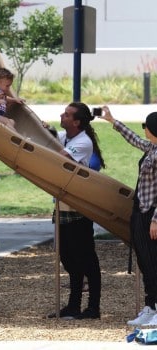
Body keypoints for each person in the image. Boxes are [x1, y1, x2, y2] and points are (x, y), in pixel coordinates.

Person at [100, 106, 157, 326]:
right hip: (140, 212)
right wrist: (112, 121)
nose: (143, 130)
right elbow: (133, 139)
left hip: (151, 214)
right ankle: (150, 306)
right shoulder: (151, 148)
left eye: (146, 126)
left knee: (153, 262)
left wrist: (155, 220)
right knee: (144, 261)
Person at [46, 102, 103, 320]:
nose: (62, 115)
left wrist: (48, 138)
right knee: (68, 258)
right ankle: (73, 306)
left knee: (86, 257)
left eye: (67, 115)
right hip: (63, 205)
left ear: (77, 122)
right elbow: (53, 140)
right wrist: (47, 131)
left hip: (79, 208)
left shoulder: (83, 143)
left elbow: (61, 158)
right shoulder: (66, 137)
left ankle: (93, 307)